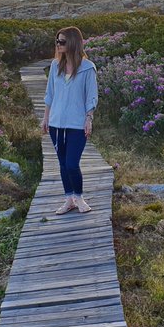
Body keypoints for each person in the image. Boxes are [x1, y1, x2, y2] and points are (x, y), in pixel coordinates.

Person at [41, 26, 99, 215]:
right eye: (57, 41)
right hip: (56, 123)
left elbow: (91, 97)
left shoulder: (87, 68)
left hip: (76, 124)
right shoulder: (54, 66)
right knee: (63, 164)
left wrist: (89, 119)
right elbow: (50, 94)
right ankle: (69, 199)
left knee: (72, 163)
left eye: (62, 42)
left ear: (73, 42)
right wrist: (45, 118)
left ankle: (79, 198)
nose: (58, 45)